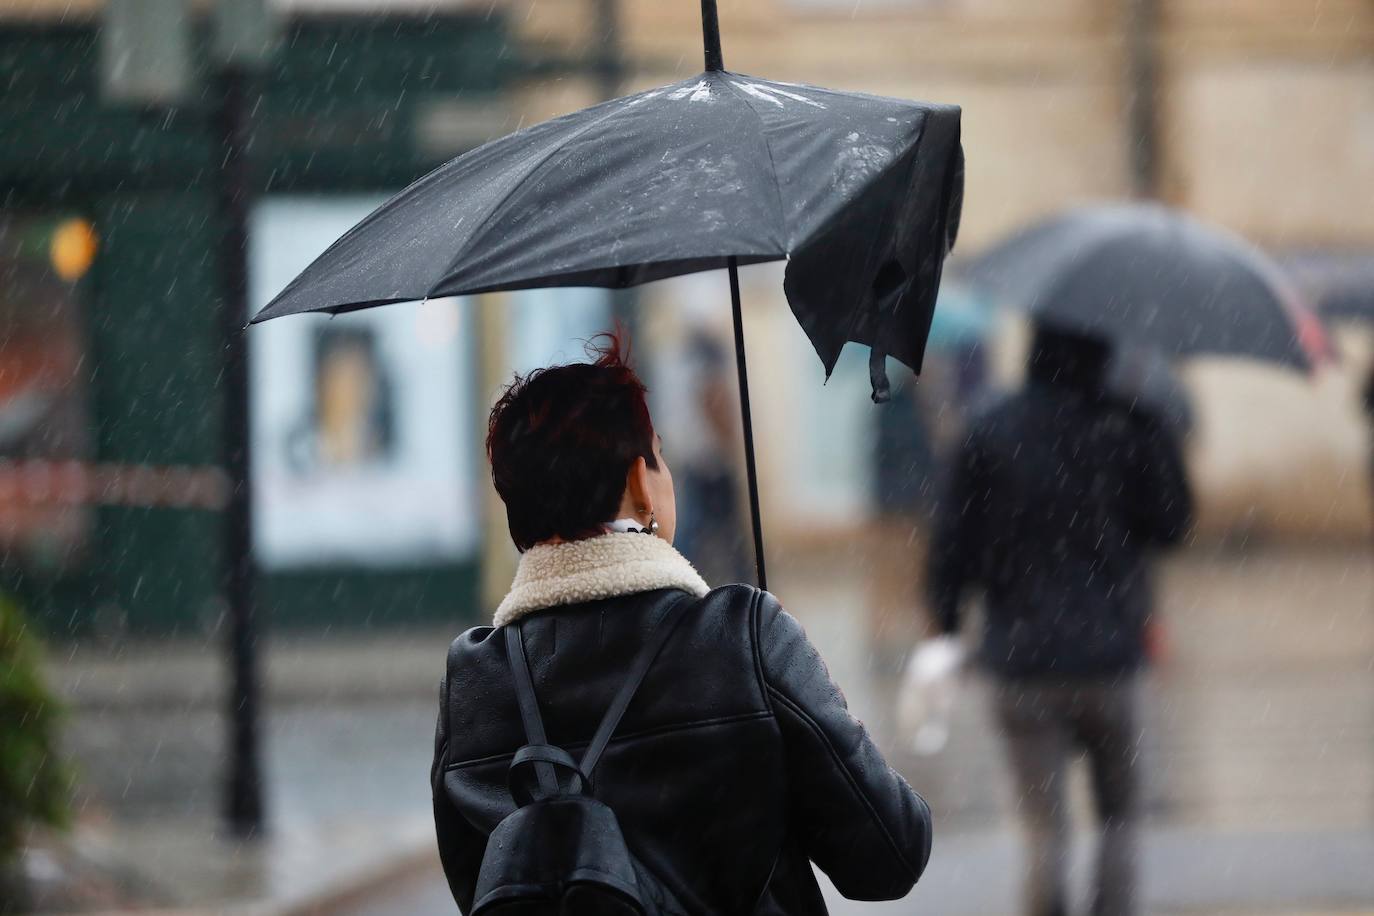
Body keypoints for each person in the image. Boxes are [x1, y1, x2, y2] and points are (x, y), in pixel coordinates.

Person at [432, 333, 932, 914]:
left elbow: (481, 889)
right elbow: (891, 854)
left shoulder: (474, 678)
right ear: (640, 483)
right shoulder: (741, 634)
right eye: (659, 456)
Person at [927, 323, 1192, 916]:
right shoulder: (1124, 425)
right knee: (1120, 825)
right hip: (1110, 660)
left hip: (1021, 665)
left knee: (1045, 834)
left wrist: (946, 630)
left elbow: (950, 546)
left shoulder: (990, 428)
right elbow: (1173, 523)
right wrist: (1152, 426)